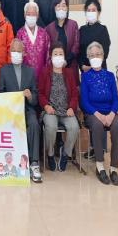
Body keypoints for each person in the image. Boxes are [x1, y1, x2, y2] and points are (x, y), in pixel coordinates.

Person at [0, 38, 42, 183]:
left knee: (34, 123)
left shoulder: (30, 71)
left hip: (26, 109)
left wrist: (30, 96)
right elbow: (0, 93)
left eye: (19, 51)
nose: (16, 53)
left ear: (24, 53)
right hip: (9, 111)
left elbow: (35, 97)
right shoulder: (4, 71)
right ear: (9, 52)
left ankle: (34, 163)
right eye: (13, 50)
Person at [80, 41, 118, 186]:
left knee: (117, 129)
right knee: (98, 126)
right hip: (92, 113)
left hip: (110, 112)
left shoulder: (110, 76)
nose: (95, 57)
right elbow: (84, 102)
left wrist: (111, 114)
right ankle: (100, 167)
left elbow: (116, 100)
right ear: (88, 57)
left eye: (98, 54)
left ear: (103, 56)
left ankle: (113, 168)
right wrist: (98, 115)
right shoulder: (85, 77)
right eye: (92, 55)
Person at [38, 42, 80, 173]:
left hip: (66, 111)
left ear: (64, 57)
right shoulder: (45, 72)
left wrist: (71, 107)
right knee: (50, 127)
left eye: (60, 54)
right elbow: (40, 93)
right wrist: (46, 106)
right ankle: (50, 154)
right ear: (51, 56)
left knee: (74, 127)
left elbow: (74, 94)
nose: (58, 56)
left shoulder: (69, 73)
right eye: (55, 54)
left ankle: (65, 154)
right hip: (51, 111)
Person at [46, 0, 80, 80]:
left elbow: (76, 45)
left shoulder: (73, 25)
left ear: (67, 8)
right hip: (55, 67)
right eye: (58, 5)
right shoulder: (49, 28)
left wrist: (66, 61)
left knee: (71, 87)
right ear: (54, 8)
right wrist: (56, 62)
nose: (61, 8)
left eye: (64, 5)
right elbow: (48, 49)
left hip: (71, 66)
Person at [16, 2, 50, 81]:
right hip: (24, 77)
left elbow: (47, 57)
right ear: (24, 15)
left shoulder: (44, 34)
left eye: (33, 14)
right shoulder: (20, 34)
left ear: (37, 16)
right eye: (28, 14)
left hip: (42, 76)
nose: (31, 16)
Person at [78, 0, 111, 72]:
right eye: (88, 10)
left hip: (100, 69)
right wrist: (82, 66)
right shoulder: (82, 30)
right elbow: (78, 51)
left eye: (93, 10)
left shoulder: (103, 29)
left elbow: (105, 53)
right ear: (85, 13)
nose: (91, 12)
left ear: (98, 12)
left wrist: (95, 65)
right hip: (85, 70)